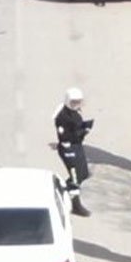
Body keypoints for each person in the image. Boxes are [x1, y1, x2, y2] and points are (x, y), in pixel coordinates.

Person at [53, 87, 94, 217]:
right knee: (76, 178)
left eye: (78, 102)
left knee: (84, 173)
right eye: (74, 102)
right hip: (68, 149)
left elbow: (76, 126)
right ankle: (75, 205)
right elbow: (65, 136)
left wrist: (84, 126)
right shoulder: (63, 117)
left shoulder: (74, 113)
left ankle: (62, 187)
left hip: (77, 147)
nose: (76, 105)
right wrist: (84, 131)